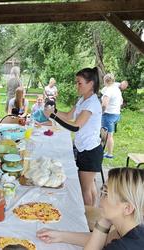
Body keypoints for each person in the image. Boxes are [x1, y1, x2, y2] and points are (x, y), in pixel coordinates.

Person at [37, 167, 144, 250]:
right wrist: (60, 236)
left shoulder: (124, 247)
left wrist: (103, 221)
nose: (99, 197)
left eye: (106, 193)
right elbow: (101, 240)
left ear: (128, 208)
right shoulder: (133, 228)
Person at [45, 67, 103, 206]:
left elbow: (75, 126)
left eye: (79, 83)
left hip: (90, 152)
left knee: (85, 190)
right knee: (90, 186)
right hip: (84, 148)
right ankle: (91, 213)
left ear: (91, 84)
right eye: (76, 82)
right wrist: (53, 111)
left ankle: (87, 219)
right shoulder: (83, 99)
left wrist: (52, 116)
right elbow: (68, 116)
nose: (76, 85)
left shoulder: (92, 103)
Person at [101, 73, 123, 159]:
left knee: (107, 135)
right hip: (116, 114)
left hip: (108, 115)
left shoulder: (108, 90)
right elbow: (121, 101)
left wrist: (101, 112)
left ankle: (109, 154)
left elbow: (104, 104)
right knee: (109, 135)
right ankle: (107, 151)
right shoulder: (117, 89)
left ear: (105, 81)